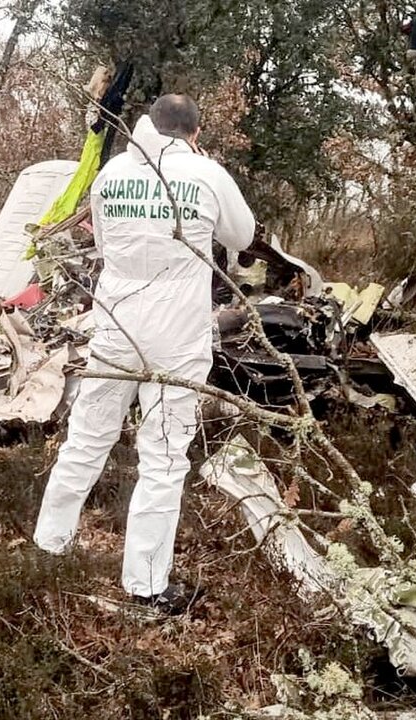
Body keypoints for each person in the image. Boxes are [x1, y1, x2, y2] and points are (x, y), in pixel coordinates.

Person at [34, 94, 255, 615]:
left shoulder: (112, 173)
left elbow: (107, 247)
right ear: (193, 134)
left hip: (116, 325)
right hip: (178, 333)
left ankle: (49, 546)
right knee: (162, 458)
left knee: (86, 440)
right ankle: (147, 583)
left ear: (149, 126)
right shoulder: (206, 174)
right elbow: (241, 237)